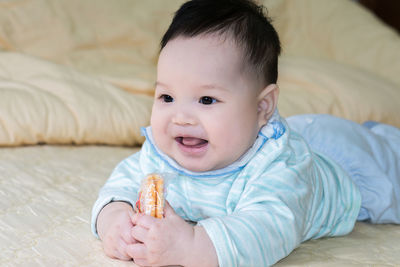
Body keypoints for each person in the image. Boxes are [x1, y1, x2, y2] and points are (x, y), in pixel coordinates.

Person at [91, 0, 400, 266]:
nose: (181, 118)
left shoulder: (280, 169)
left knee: (390, 169)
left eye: (207, 100)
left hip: (343, 163)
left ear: (262, 107)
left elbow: (267, 230)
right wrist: (114, 220)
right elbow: (121, 184)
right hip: (302, 132)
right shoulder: (161, 154)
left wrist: (192, 246)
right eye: (167, 98)